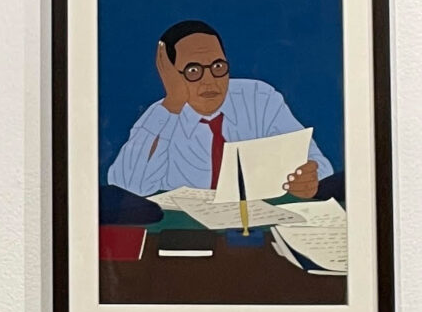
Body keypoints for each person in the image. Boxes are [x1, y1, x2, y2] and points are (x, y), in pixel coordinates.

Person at [107, 20, 333, 199]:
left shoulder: (259, 98)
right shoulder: (161, 116)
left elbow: (319, 163)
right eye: (193, 70)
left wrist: (309, 177)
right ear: (171, 75)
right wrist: (173, 103)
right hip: (187, 233)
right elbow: (126, 186)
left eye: (217, 66)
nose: (209, 81)